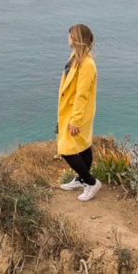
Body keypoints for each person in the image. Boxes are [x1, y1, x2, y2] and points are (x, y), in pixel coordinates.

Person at [57, 24, 101, 201]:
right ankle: (81, 178)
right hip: (69, 110)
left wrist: (75, 120)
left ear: (75, 39)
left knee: (66, 150)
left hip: (78, 112)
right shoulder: (76, 57)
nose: (67, 38)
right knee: (83, 146)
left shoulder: (87, 64)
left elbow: (82, 95)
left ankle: (91, 182)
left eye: (69, 36)